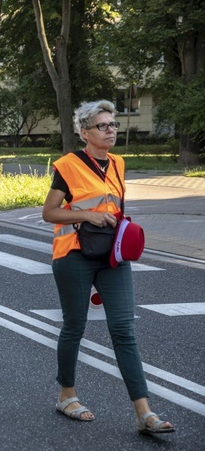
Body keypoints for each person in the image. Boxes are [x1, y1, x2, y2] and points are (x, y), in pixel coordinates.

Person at [41, 100, 174, 433]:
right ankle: (66, 395)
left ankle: (144, 413)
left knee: (124, 330)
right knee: (75, 326)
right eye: (103, 125)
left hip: (111, 255)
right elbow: (50, 213)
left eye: (113, 124)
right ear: (85, 132)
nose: (111, 130)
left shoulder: (118, 163)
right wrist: (86, 215)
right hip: (73, 254)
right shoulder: (68, 165)